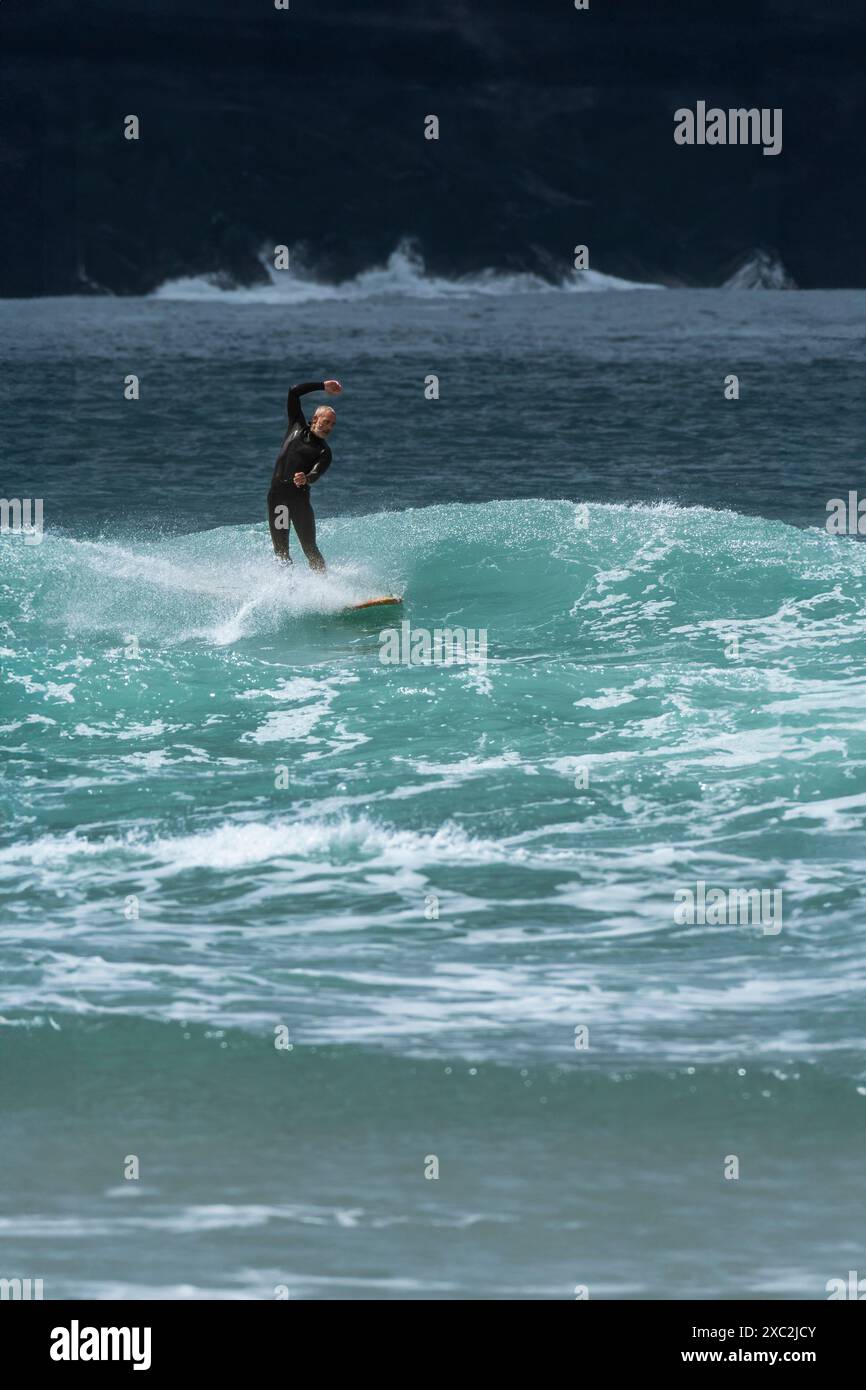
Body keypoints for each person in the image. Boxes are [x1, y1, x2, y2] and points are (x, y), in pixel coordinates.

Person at [267, 378, 342, 568]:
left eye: (333, 424)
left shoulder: (324, 452)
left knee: (309, 547)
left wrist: (305, 478)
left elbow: (316, 474)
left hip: (299, 502)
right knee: (281, 549)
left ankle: (324, 586)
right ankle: (287, 588)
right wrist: (323, 386)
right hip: (278, 499)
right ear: (315, 419)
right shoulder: (296, 426)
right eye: (327, 422)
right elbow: (293, 391)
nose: (329, 427)